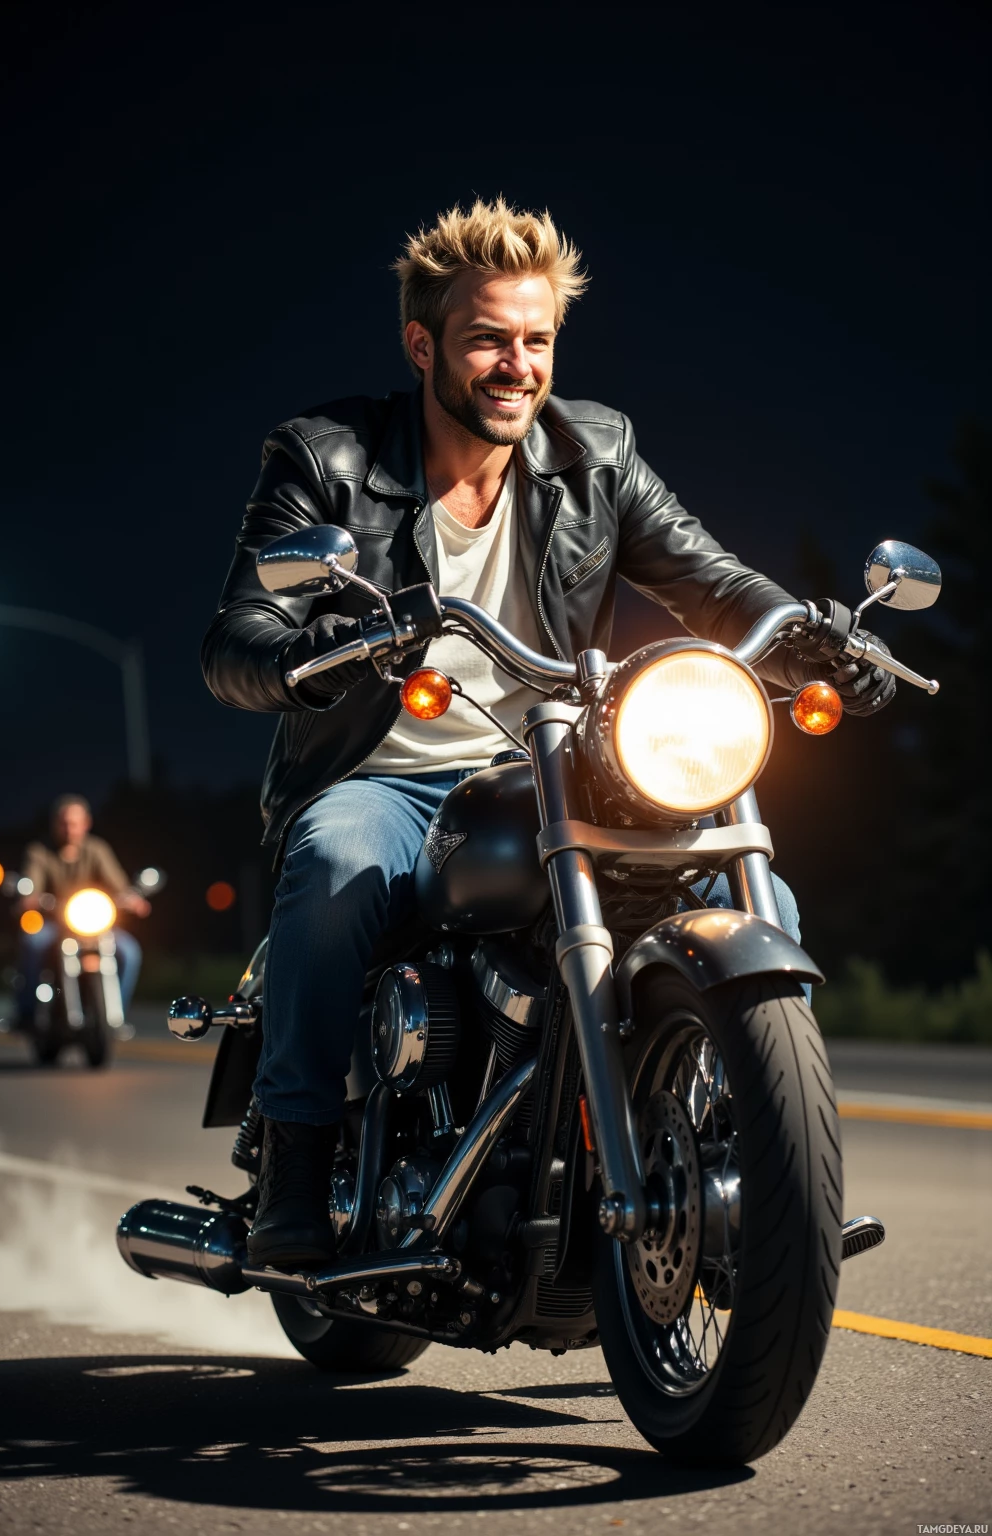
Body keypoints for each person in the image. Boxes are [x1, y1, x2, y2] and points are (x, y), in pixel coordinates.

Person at [202, 199, 895, 1270]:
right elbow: (241, 630)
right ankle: (294, 1166)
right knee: (337, 864)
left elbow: (707, 576)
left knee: (753, 884)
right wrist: (311, 653)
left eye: (535, 340)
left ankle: (773, 1166)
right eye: (486, 338)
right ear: (422, 342)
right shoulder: (326, 454)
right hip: (391, 777)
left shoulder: (596, 449)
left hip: (559, 766)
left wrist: (808, 638)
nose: (514, 365)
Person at [15, 794, 149, 1028]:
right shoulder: (39, 852)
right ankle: (26, 1012)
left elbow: (119, 884)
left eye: (74, 823)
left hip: (94, 924)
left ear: (86, 823)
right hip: (56, 924)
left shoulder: (97, 849)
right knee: (32, 943)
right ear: (55, 824)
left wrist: (132, 898)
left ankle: (116, 1015)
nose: (69, 829)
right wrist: (29, 896)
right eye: (64, 823)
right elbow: (31, 884)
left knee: (129, 952)